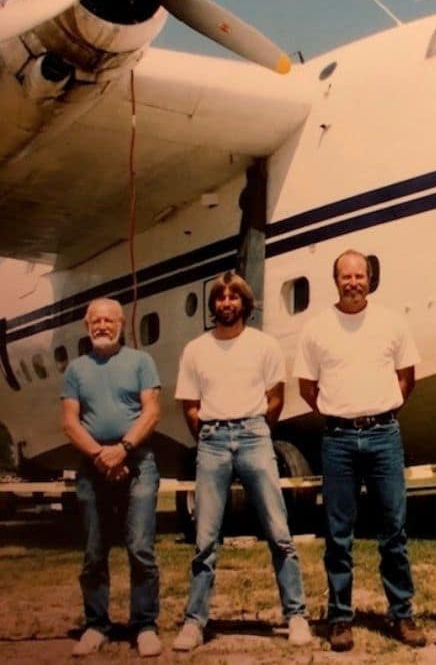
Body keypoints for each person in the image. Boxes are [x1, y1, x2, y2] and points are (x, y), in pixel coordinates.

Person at [293, 249, 426, 652]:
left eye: (360, 276)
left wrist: (377, 411)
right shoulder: (316, 329)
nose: (353, 282)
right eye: (345, 276)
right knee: (338, 535)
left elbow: (407, 378)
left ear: (370, 279)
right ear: (335, 281)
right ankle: (339, 619)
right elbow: (307, 388)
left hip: (385, 435)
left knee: (394, 532)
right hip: (338, 441)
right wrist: (343, 415)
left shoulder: (391, 322)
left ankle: (402, 615)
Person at [172, 271, 311, 651]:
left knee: (280, 533)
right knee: (205, 539)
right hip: (212, 441)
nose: (226, 303)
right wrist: (208, 433)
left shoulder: (264, 346)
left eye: (234, 298)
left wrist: (257, 430)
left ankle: (296, 614)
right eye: (220, 298)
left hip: (254, 436)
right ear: (213, 305)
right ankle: (194, 622)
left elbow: (276, 398)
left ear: (245, 305)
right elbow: (189, 404)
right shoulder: (195, 349)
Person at [61, 298, 162, 658]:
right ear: (87, 325)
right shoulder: (75, 369)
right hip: (92, 467)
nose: (102, 326)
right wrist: (100, 455)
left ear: (121, 323)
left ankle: (145, 625)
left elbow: (151, 411)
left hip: (137, 463)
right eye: (95, 320)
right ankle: (96, 625)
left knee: (140, 548)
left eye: (109, 320)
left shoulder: (141, 362)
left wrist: (123, 447)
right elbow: (71, 422)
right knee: (93, 552)